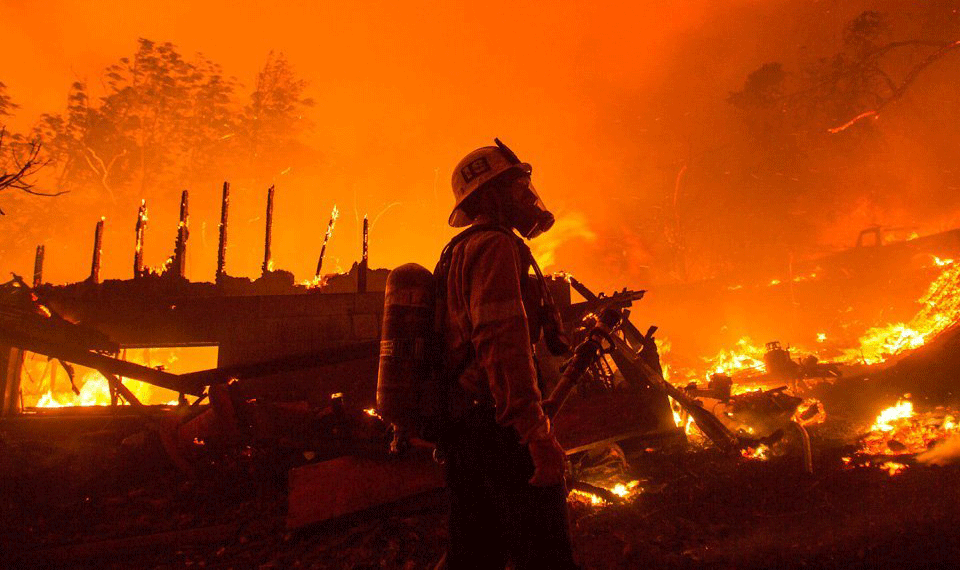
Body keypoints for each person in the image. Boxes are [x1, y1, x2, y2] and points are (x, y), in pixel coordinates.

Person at [433, 139, 578, 569]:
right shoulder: (495, 247)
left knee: (475, 555)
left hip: (466, 429)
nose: (527, 197)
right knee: (546, 553)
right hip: (499, 428)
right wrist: (535, 434)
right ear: (490, 195)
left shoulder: (458, 251)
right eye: (515, 188)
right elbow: (501, 343)